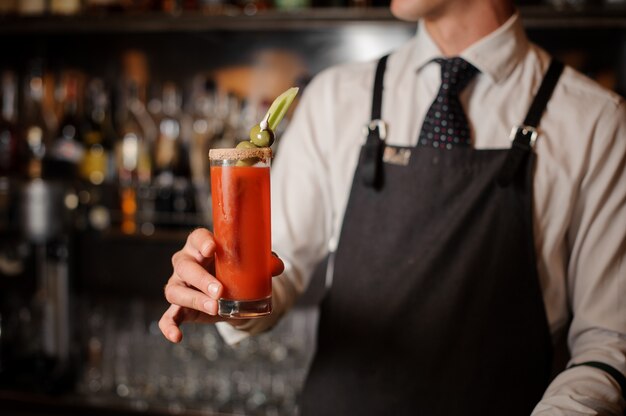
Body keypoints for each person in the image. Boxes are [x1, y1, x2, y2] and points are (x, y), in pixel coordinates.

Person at [159, 0, 626, 414]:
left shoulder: (596, 122)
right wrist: (225, 294)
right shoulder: (335, 97)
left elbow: (607, 345)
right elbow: (278, 271)